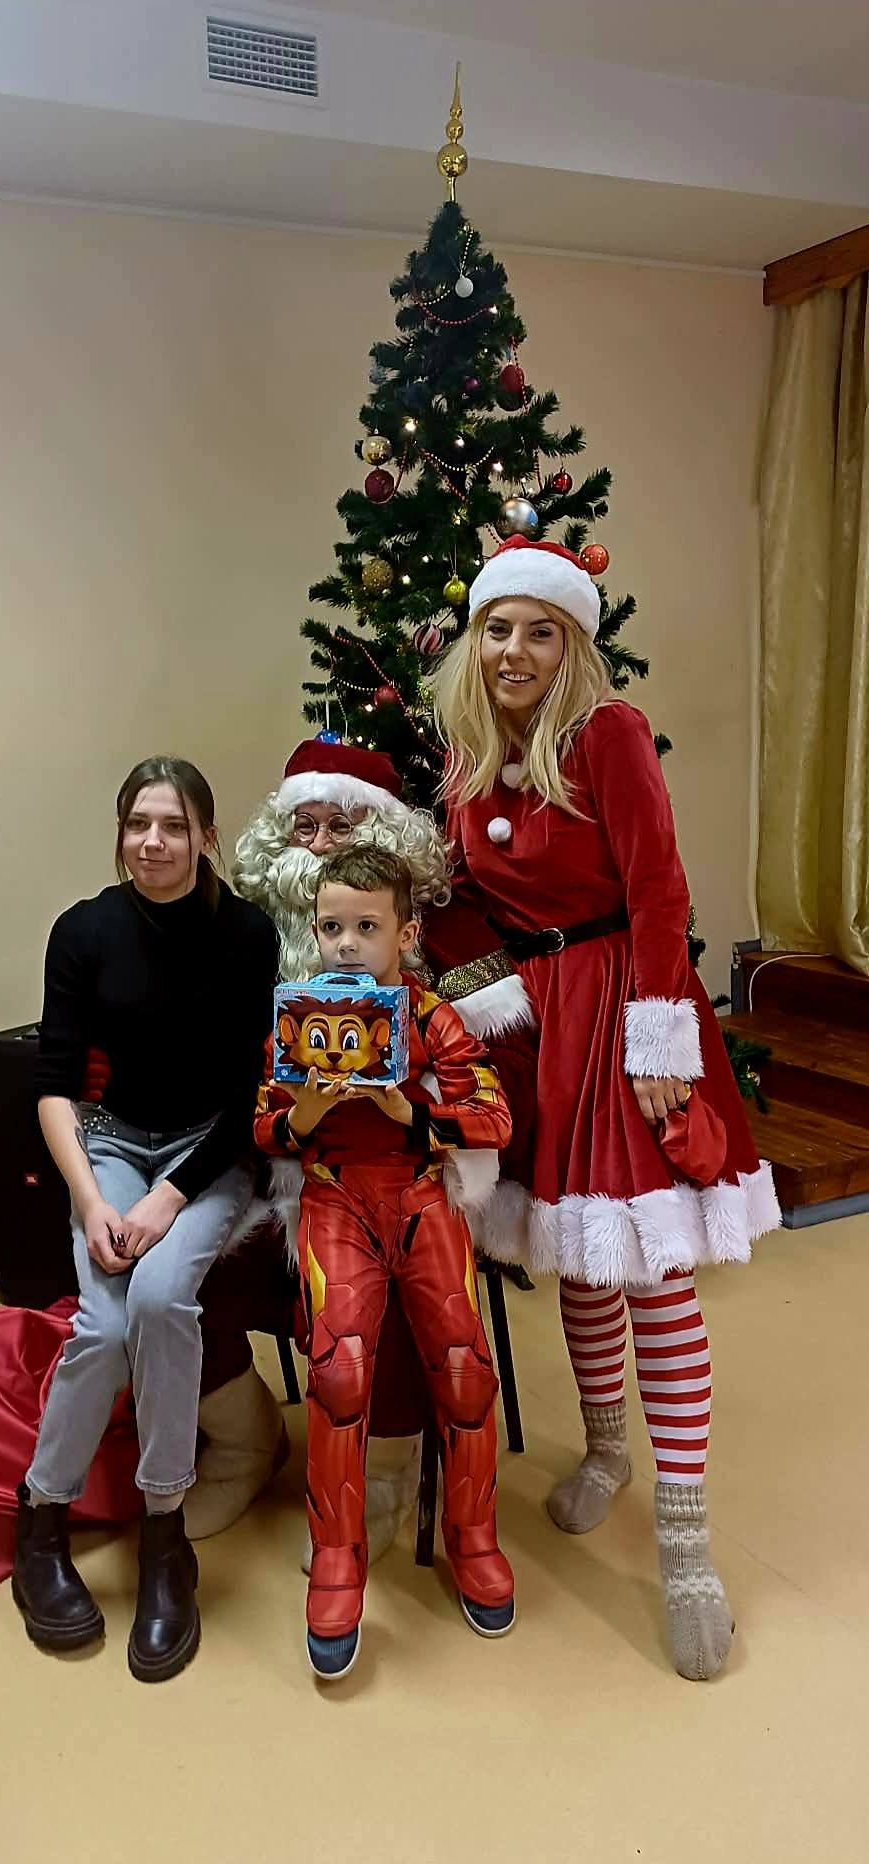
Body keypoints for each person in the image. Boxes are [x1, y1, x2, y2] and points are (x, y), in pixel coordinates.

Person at [432, 534, 781, 1680]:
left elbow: (660, 889)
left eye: (541, 631)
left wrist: (661, 1038)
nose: (515, 650)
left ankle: (684, 1542)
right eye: (499, 628)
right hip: (540, 1026)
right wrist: (473, 1011)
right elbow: (457, 906)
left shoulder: (607, 733)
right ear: (476, 641)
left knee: (653, 1273)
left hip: (628, 1008)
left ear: (571, 642)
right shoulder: (471, 760)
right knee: (578, 1260)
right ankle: (606, 1450)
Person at [185, 738, 534, 1557]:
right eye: (300, 826)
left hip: (414, 1173)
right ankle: (244, 1444)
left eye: (338, 825)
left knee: (403, 1300)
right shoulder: (246, 936)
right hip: (270, 1166)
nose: (315, 846)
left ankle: (383, 1479)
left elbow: (511, 1068)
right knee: (181, 1275)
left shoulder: (443, 934)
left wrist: (419, 1103)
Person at [11, 756, 277, 1684]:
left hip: (211, 1153)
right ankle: (40, 1518)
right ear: (120, 832)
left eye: (172, 825)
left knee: (162, 1300)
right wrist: (93, 1201)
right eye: (137, 825)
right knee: (104, 1320)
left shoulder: (245, 934)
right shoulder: (83, 930)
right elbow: (53, 1084)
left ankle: (164, 1533)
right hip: (113, 1144)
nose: (152, 843)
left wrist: (169, 1199)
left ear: (206, 836)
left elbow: (250, 1095)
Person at [256, 846, 515, 1679]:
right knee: (337, 1374)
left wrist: (410, 1111)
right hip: (335, 1199)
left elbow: (493, 1115)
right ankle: (337, 1559)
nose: (344, 944)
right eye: (329, 926)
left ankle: (473, 1536)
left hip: (420, 1194)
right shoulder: (298, 1017)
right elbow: (263, 1126)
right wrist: (304, 1111)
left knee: (465, 1370)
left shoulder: (431, 1016)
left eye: (365, 927)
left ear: (404, 935)